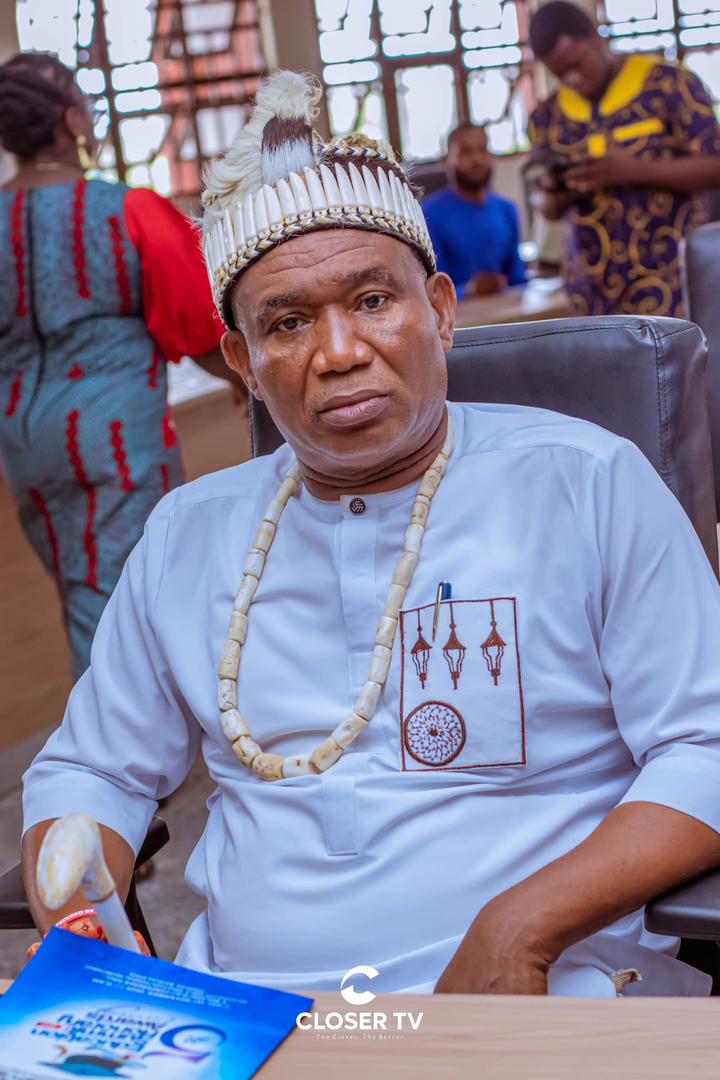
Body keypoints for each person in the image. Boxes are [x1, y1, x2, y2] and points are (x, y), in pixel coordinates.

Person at [21, 70, 720, 998]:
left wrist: (521, 929)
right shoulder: (189, 532)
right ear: (244, 363)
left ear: (440, 310)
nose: (340, 352)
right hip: (247, 1013)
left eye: (373, 302)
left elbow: (707, 745)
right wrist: (82, 925)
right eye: (288, 322)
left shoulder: (587, 483)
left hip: (550, 995)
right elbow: (90, 771)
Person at [0, 53, 237, 679]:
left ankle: (115, 721)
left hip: (23, 443)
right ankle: (123, 731)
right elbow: (197, 325)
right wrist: (245, 377)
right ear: (72, 120)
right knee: (130, 601)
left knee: (85, 592)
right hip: (113, 437)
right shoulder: (130, 211)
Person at [527, 1, 720, 317]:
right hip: (591, 294)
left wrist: (632, 171)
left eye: (577, 64)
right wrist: (552, 198)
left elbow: (714, 166)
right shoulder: (547, 115)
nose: (573, 79)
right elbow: (540, 199)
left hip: (673, 283)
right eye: (560, 74)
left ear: (595, 37)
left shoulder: (670, 85)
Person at [422, 123, 527, 297]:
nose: (476, 160)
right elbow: (430, 289)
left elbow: (518, 280)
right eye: (466, 152)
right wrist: (468, 291)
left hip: (507, 309)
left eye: (482, 150)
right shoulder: (429, 214)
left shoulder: (507, 210)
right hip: (453, 312)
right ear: (447, 160)